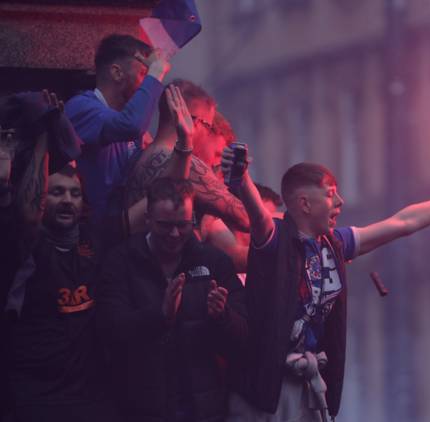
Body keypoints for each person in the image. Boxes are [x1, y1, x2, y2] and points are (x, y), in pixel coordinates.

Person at [222, 148, 430, 421]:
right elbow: (258, 216)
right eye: (330, 194)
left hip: (306, 387)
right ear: (304, 204)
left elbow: (403, 222)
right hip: (265, 391)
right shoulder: (275, 241)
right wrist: (241, 178)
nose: (339, 201)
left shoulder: (334, 244)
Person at [1, 91, 117, 421]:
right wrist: (42, 136)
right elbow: (27, 212)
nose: (67, 200)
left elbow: (155, 213)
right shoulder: (25, 242)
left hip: (87, 400)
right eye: (56, 192)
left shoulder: (95, 238)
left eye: (74, 193)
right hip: (33, 400)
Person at [97, 177, 248, 422]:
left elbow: (243, 336)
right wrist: (160, 315)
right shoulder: (121, 261)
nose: (175, 233)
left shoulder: (213, 262)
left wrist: (223, 317)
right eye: (165, 225)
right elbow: (109, 329)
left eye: (183, 224)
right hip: (140, 408)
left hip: (203, 408)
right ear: (147, 219)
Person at [65, 34, 170, 222]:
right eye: (143, 74)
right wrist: (156, 73)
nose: (147, 83)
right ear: (117, 73)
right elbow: (130, 125)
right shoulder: (80, 107)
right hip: (93, 232)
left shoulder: (128, 120)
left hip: (123, 226)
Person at [125, 79, 249, 235]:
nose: (208, 133)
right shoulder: (189, 165)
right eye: (208, 126)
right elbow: (247, 219)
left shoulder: (142, 155)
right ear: (194, 122)